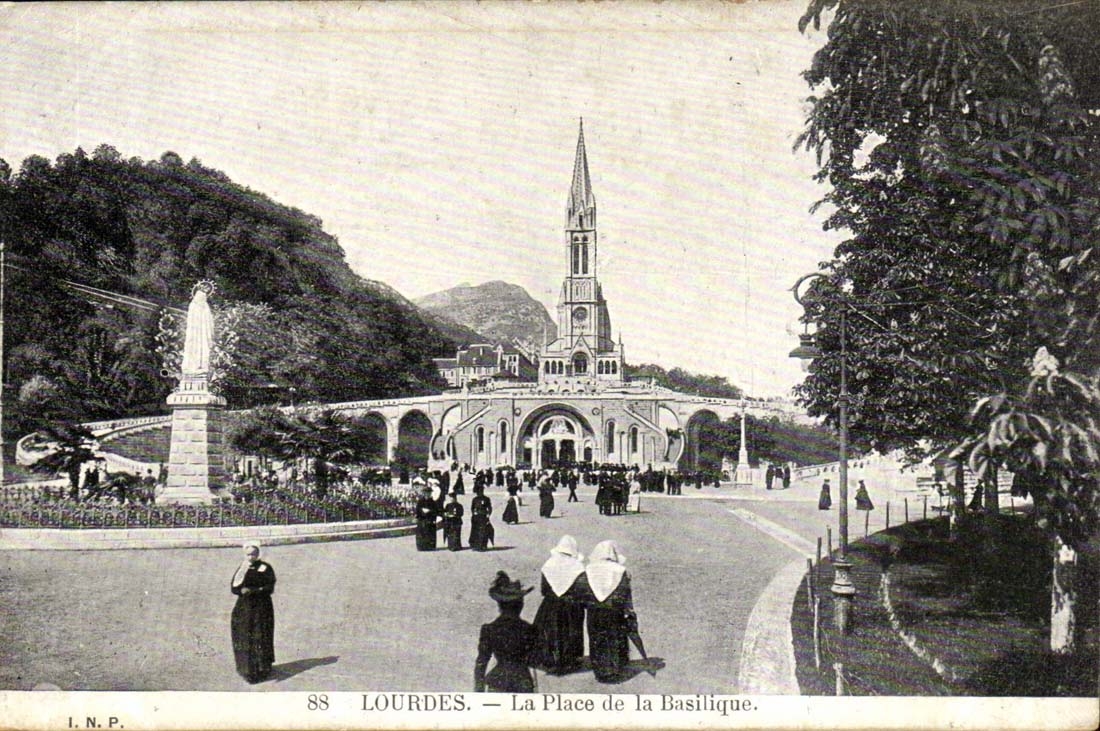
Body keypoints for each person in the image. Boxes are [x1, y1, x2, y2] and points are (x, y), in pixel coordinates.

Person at [473, 571, 539, 692]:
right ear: (520, 606)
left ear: (500, 606)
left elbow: (481, 662)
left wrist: (478, 689)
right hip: (523, 682)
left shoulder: (489, 629)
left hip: (498, 681)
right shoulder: (529, 629)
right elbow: (535, 659)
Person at [533, 536, 588, 675]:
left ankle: (550, 659)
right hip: (571, 604)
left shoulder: (548, 564)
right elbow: (581, 589)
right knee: (571, 630)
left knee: (550, 631)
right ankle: (569, 659)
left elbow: (544, 589)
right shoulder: (578, 567)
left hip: (551, 603)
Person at [585, 540, 636, 682]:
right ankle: (615, 668)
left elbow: (584, 590)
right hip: (614, 609)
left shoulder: (589, 569)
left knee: (597, 637)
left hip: (595, 610)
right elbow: (626, 591)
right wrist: (628, 609)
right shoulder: (620, 570)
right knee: (615, 636)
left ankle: (600, 670)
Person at [230, 543, 276, 684]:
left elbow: (270, 586)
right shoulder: (242, 568)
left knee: (261, 635)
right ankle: (247, 670)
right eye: (248, 554)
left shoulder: (265, 568)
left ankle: (263, 669)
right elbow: (234, 586)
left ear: (258, 554)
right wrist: (240, 591)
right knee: (245, 636)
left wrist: (255, 591)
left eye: (253, 554)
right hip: (244, 608)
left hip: (261, 607)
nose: (251, 557)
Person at [415, 483, 440, 551]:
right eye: (426, 493)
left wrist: (430, 511)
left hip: (430, 520)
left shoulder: (433, 502)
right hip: (422, 520)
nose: (427, 495)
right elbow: (417, 511)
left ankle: (430, 546)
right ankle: (422, 546)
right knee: (422, 534)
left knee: (430, 534)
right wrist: (422, 511)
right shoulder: (420, 501)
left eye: (429, 493)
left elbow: (436, 511)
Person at [469, 484, 495, 551]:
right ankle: (476, 545)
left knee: (483, 532)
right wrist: (473, 513)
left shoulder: (486, 499)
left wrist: (488, 514)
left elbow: (489, 508)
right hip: (476, 517)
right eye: (479, 491)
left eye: (481, 491)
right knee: (475, 531)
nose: (480, 492)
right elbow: (472, 508)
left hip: (483, 516)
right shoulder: (475, 499)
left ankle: (483, 545)